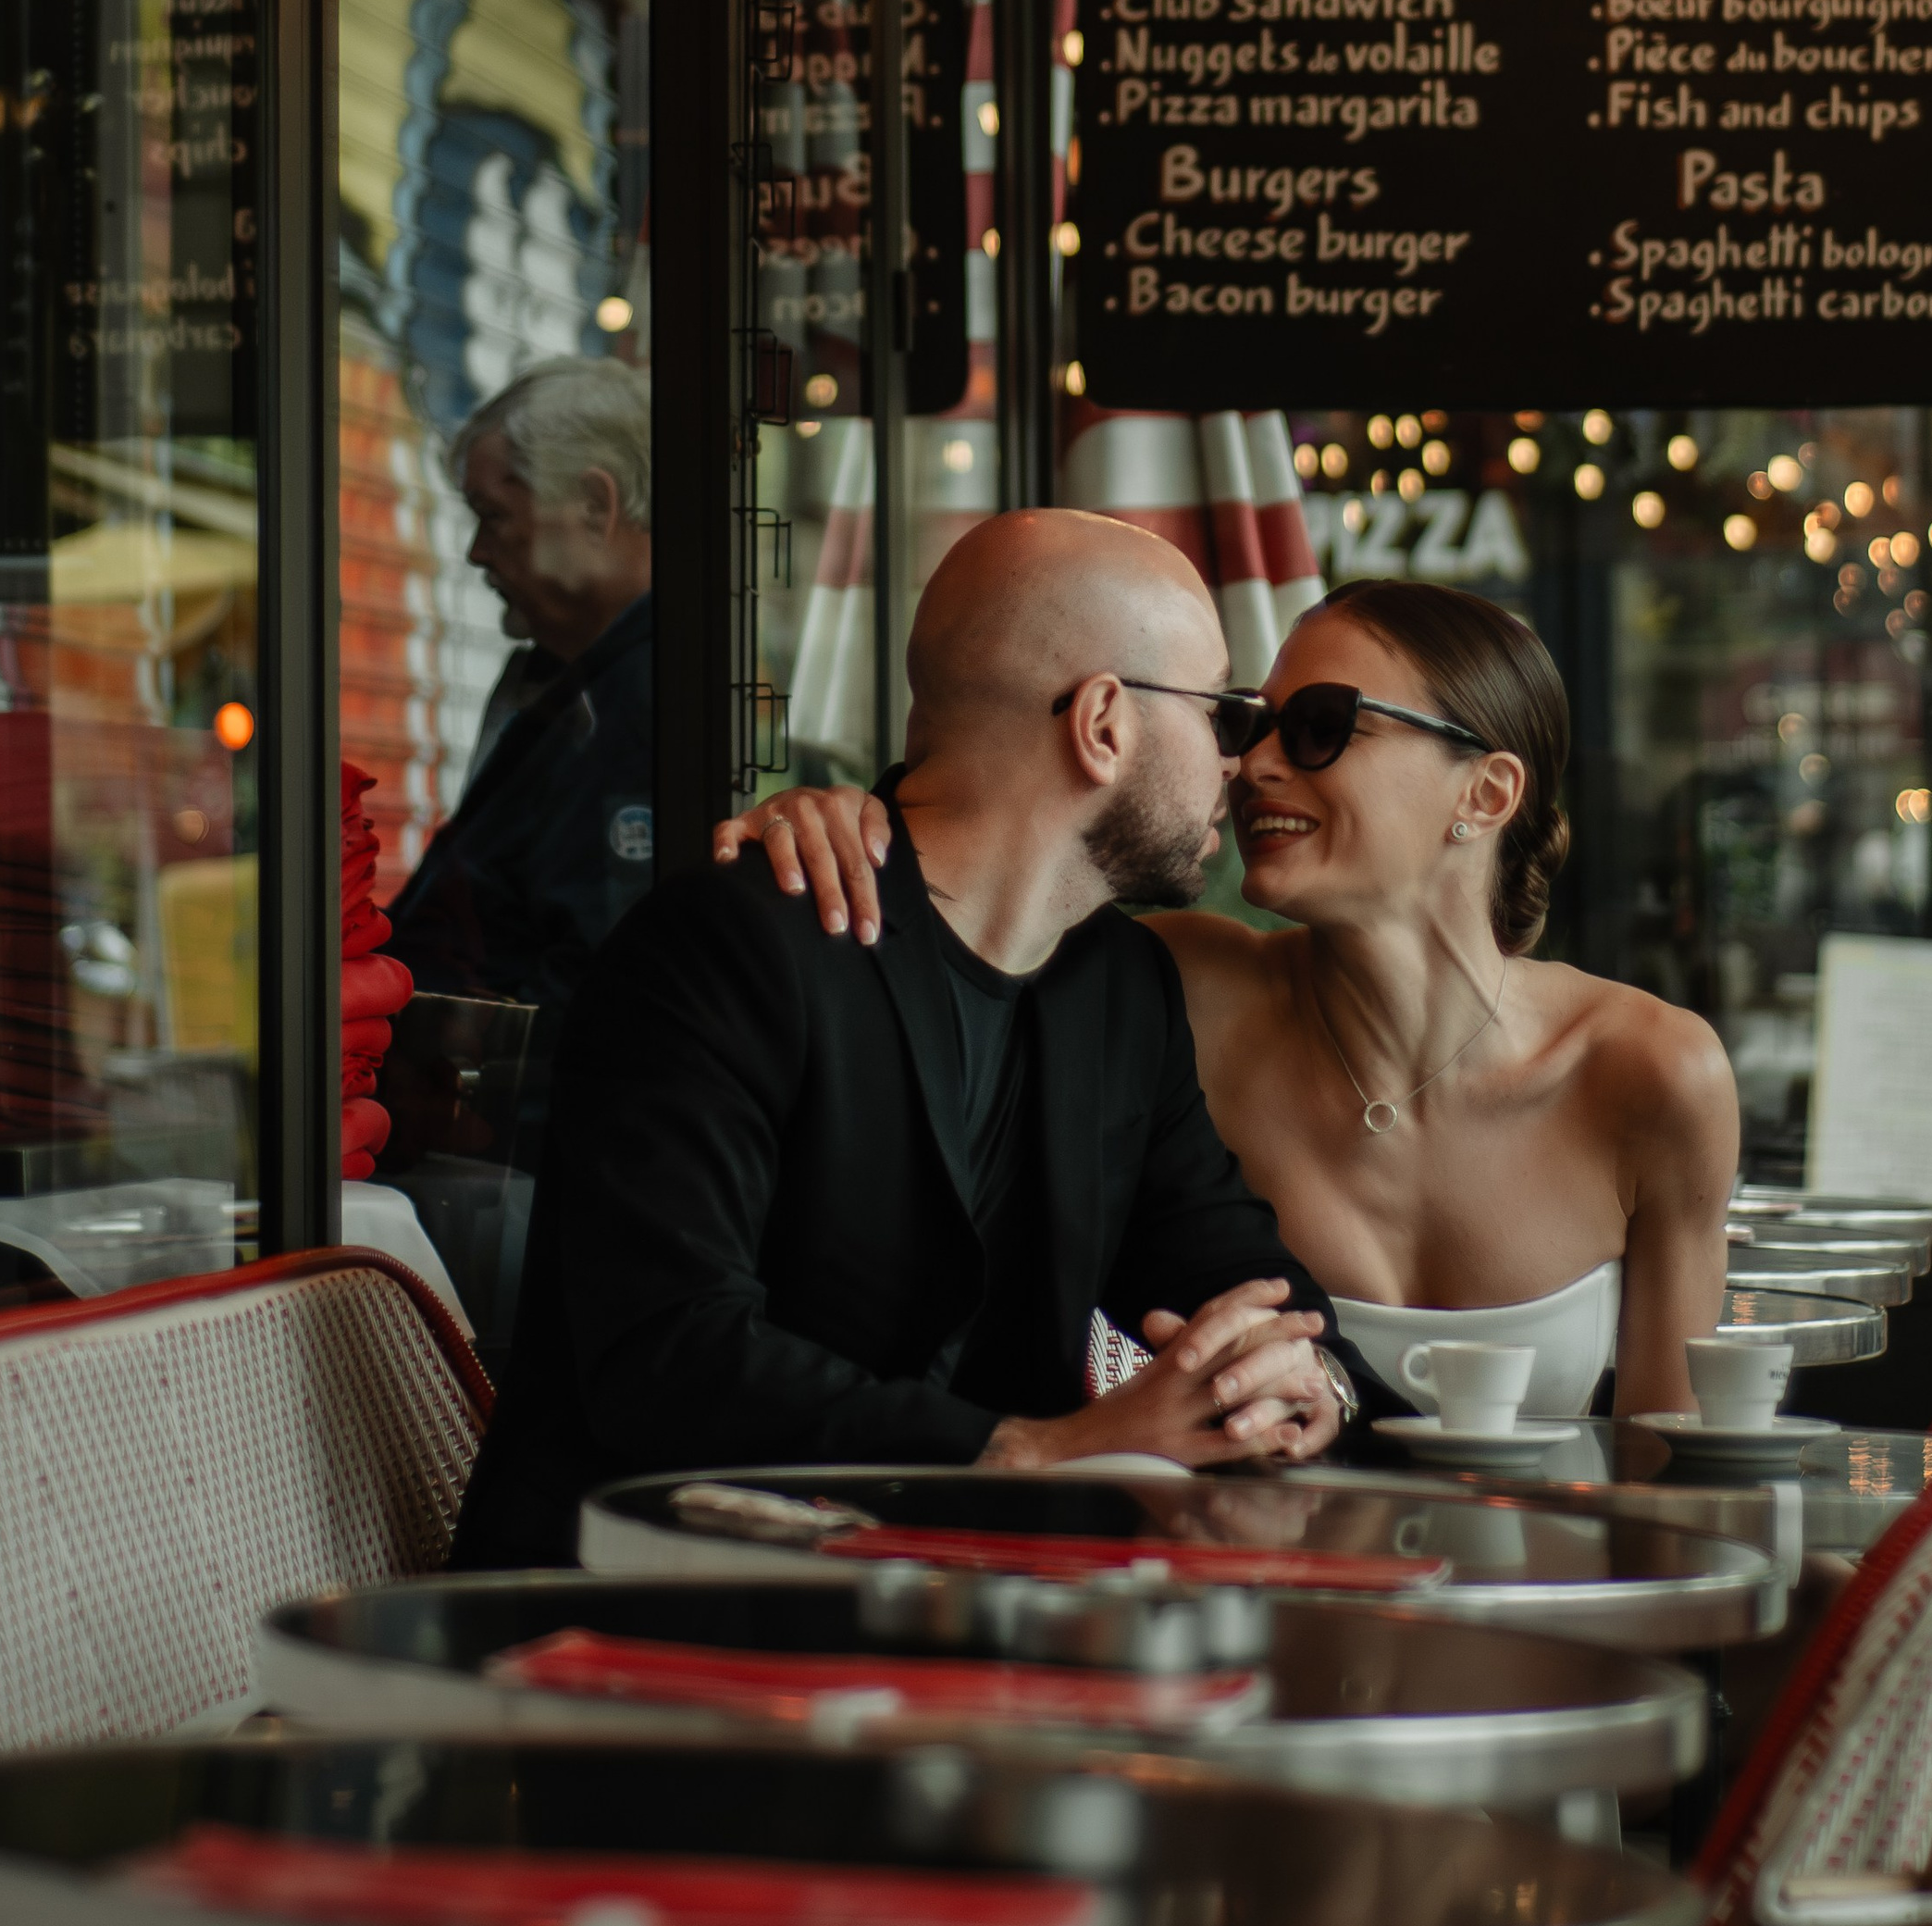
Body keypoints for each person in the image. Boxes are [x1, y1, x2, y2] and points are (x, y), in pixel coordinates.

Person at [451, 509, 1364, 1568]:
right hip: (645, 1605)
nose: (1239, 763)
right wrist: (1036, 1451)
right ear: (1104, 724)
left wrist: (1306, 1382)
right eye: (1221, 714)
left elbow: (1236, 1274)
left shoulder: (1120, 987)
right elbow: (669, 1359)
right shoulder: (727, 945)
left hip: (961, 1607)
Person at [723, 574, 1740, 1423]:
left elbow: (1673, 1475)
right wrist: (851, 826)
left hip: (1553, 1597)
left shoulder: (1652, 1072)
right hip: (1235, 1582)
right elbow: (978, 896)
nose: (1250, 764)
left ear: (1486, 793)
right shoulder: (1173, 989)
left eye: (1320, 728)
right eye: (1250, 721)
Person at [391, 354, 654, 1151]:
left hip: (521, 1161)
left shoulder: (646, 703)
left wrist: (488, 1126)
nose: (476, 552)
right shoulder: (563, 681)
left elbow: (602, 977)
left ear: (595, 504)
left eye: (494, 515)